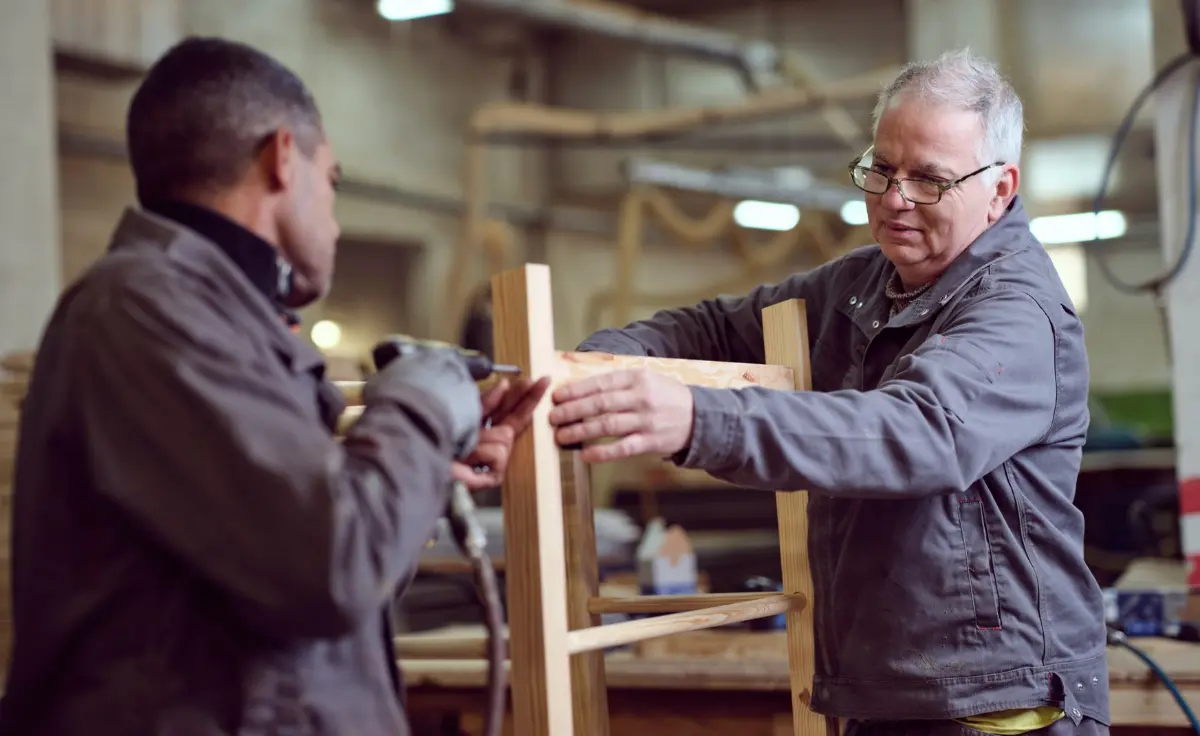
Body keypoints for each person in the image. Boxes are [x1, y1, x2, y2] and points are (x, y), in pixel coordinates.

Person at [548, 49, 1109, 736]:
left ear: (1000, 189)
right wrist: (591, 371)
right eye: (881, 169)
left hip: (997, 706)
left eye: (929, 180)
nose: (894, 198)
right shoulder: (859, 286)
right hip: (883, 692)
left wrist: (698, 419)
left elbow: (914, 432)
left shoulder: (1018, 311)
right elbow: (713, 330)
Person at [0, 36, 549, 736]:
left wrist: (422, 471)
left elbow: (318, 570)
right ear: (282, 157)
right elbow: (327, 568)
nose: (337, 219)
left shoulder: (223, 322)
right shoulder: (146, 309)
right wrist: (418, 398)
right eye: (334, 181)